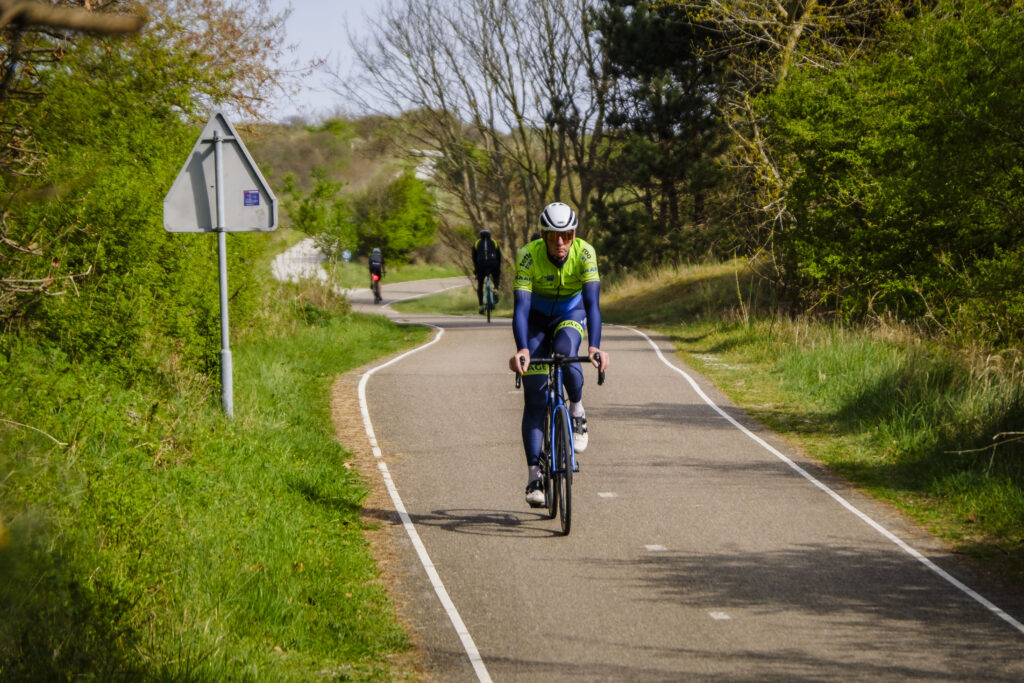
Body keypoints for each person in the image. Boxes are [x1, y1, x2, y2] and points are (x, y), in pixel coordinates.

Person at [508, 202, 609, 507]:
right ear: (543, 235)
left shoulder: (585, 253)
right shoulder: (528, 256)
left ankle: (577, 410)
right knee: (536, 397)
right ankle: (534, 476)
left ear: (574, 234)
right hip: (536, 321)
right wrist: (522, 349)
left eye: (567, 235)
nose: (561, 242)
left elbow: (592, 304)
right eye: (553, 236)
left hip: (570, 313)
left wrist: (594, 346)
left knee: (566, 353)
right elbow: (521, 308)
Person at [471, 229, 502, 313]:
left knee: (480, 285)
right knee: (496, 275)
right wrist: (498, 267)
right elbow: (499, 256)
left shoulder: (477, 243)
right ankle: (495, 289)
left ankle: (481, 306)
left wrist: (476, 269)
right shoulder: (494, 242)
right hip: (492, 264)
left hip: (481, 265)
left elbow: (474, 257)